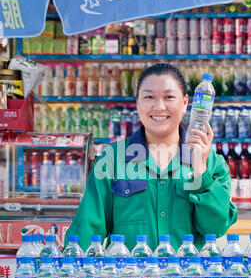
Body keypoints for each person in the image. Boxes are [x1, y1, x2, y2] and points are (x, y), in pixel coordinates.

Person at [65, 63, 237, 253]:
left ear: (186, 102)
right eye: (149, 97)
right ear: (138, 104)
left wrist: (201, 171)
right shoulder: (112, 159)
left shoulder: (213, 163)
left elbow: (216, 228)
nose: (159, 106)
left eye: (169, 97)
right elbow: (87, 231)